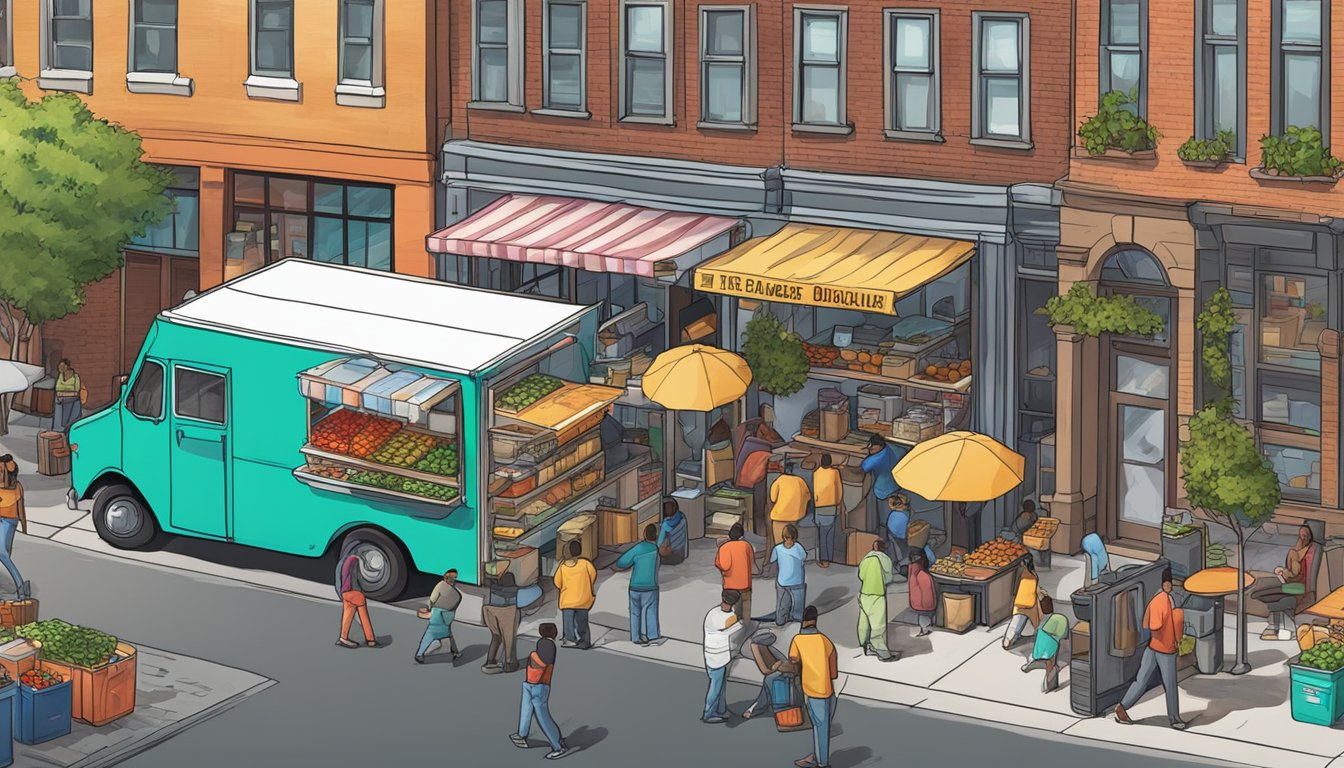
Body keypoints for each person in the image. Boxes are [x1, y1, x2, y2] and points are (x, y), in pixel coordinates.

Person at [1114, 569, 1187, 730]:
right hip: (1165, 650)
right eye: (1168, 583)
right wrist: (1176, 628)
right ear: (1164, 584)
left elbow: (1146, 624)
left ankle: (1122, 707)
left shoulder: (1155, 600)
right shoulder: (1165, 601)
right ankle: (1175, 719)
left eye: (1170, 584)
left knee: (1141, 681)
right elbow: (1157, 624)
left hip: (1152, 647)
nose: (1170, 586)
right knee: (1170, 685)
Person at [510, 622, 571, 760]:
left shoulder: (547, 645)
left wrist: (531, 656)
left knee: (542, 716)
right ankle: (521, 735)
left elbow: (543, 662)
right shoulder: (545, 643)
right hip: (534, 683)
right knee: (526, 710)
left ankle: (558, 746)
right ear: (554, 633)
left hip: (538, 684)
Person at [789, 605, 838, 768]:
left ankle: (822, 763)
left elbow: (793, 661)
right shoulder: (824, 640)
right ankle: (817, 756)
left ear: (802, 621)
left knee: (819, 727)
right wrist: (830, 676)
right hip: (828, 689)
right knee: (823, 726)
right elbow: (833, 665)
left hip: (812, 690)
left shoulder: (797, 640)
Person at [1251, 524, 1317, 641]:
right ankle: (1280, 628)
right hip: (1300, 586)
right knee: (1268, 594)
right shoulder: (1313, 549)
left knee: (1265, 593)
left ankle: (1275, 628)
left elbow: (1294, 573)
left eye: (1303, 534)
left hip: (1295, 587)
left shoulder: (1295, 553)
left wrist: (1283, 571)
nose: (1301, 537)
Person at [613, 524, 661, 645]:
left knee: (635, 612)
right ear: (656, 536)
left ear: (644, 534)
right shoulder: (656, 550)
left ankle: (635, 636)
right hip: (651, 586)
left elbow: (622, 562)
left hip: (635, 586)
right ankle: (651, 634)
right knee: (650, 610)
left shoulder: (638, 548)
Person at [702, 589, 744, 724]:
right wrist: (739, 624)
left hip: (709, 653)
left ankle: (721, 709)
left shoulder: (712, 612)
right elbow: (728, 632)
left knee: (719, 684)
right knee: (716, 686)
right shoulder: (730, 617)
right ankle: (709, 713)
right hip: (720, 656)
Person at [857, 539, 897, 662]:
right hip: (877, 594)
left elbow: (861, 576)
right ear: (884, 548)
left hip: (864, 594)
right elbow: (889, 578)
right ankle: (882, 652)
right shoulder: (885, 559)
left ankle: (865, 645)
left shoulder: (866, 559)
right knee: (878, 625)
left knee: (864, 622)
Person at [553, 540, 598, 649]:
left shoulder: (563, 567)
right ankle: (585, 641)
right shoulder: (585, 563)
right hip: (583, 599)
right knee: (582, 621)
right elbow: (593, 575)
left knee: (568, 621)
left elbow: (557, 582)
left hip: (568, 600)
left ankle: (570, 639)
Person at [1022, 595, 1069, 692]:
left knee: (1040, 647)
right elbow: (1063, 636)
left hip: (1039, 650)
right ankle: (1049, 678)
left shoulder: (1042, 622)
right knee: (1051, 660)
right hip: (1052, 646)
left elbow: (1038, 632)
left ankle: (1033, 661)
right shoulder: (1061, 618)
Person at [715, 523, 755, 637]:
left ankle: (735, 633)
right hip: (746, 583)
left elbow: (723, 565)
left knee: (734, 612)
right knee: (746, 607)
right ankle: (746, 631)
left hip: (731, 585)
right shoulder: (746, 545)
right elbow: (751, 560)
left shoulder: (724, 548)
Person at [415, 569, 462, 663]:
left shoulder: (441, 585)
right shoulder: (456, 593)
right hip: (447, 616)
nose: (454, 580)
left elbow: (433, 598)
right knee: (447, 633)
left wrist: (430, 608)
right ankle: (455, 652)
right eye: (454, 578)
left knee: (431, 633)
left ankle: (419, 654)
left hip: (437, 613)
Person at [335, 549, 379, 649]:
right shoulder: (356, 560)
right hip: (354, 592)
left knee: (347, 615)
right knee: (363, 614)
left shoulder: (343, 561)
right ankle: (370, 639)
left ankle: (343, 638)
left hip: (344, 592)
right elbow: (361, 578)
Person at [741, 630, 788, 720]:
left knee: (769, 679)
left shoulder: (759, 646)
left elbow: (769, 669)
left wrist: (776, 666)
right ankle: (758, 707)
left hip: (785, 668)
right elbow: (766, 670)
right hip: (781, 668)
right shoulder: (756, 646)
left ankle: (758, 707)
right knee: (769, 679)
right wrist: (775, 667)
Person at [860, 434, 902, 532]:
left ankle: (885, 536)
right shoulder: (893, 448)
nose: (871, 451)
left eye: (872, 449)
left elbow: (864, 467)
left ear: (880, 447)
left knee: (884, 520)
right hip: (897, 486)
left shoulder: (877, 458)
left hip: (884, 491)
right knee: (895, 514)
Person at [0, 456, 28, 598]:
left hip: (9, 521)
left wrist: (24, 526)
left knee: (3, 554)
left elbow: (20, 509)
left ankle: (21, 585)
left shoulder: (16, 487)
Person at [768, 463, 811, 557]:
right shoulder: (800, 481)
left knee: (779, 544)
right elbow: (808, 497)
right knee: (791, 542)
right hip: (795, 516)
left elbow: (773, 498)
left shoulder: (779, 480)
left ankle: (781, 563)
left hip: (780, 516)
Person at [483, 571, 521, 673]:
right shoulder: (515, 590)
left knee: (496, 637)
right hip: (508, 612)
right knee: (509, 640)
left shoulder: (494, 589)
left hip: (492, 611)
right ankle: (509, 664)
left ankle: (490, 660)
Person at [770, 524, 807, 626]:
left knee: (785, 603)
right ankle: (794, 621)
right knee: (797, 603)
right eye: (789, 538)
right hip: (794, 581)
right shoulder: (798, 547)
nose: (790, 540)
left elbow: (772, 560)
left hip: (786, 581)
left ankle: (783, 620)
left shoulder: (778, 549)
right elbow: (804, 558)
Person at [1003, 557, 1043, 649]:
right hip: (1030, 602)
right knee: (1035, 620)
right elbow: (1035, 589)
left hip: (1019, 601)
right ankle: (1011, 638)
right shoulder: (1032, 574)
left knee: (1016, 621)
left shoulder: (1020, 573)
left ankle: (1009, 639)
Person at [812, 455, 842, 568]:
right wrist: (838, 504)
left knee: (821, 534)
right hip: (831, 506)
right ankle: (829, 558)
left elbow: (815, 490)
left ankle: (824, 559)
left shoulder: (816, 473)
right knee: (830, 534)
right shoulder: (835, 473)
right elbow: (839, 490)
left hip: (819, 506)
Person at [907, 550, 936, 636]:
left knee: (923, 615)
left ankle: (925, 629)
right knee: (924, 615)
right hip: (922, 602)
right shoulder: (922, 574)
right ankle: (925, 629)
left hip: (919, 602)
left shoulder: (914, 572)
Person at [52, 358, 82, 435]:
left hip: (72, 399)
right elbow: (57, 388)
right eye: (59, 365)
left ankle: (69, 428)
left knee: (73, 404)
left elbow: (76, 390)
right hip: (61, 399)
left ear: (67, 366)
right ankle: (58, 429)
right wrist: (66, 392)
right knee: (58, 401)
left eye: (61, 365)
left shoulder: (75, 377)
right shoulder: (60, 376)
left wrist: (63, 393)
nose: (59, 367)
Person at [885, 494, 912, 577]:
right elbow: (903, 534)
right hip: (899, 540)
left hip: (895, 538)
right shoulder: (902, 516)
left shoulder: (895, 515)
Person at [657, 498, 689, 566]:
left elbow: (659, 544)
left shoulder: (666, 524)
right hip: (681, 555)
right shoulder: (682, 517)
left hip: (673, 556)